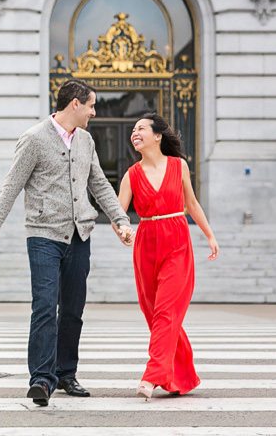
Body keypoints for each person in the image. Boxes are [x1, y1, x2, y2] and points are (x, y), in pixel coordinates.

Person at [0, 77, 133, 407]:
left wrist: (120, 219)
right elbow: (10, 188)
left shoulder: (86, 141)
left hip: (80, 235)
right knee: (46, 306)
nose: (94, 111)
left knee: (73, 311)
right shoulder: (33, 139)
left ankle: (65, 373)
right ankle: (41, 379)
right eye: (91, 105)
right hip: (44, 236)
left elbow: (100, 185)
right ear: (74, 103)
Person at [114, 113, 219, 400]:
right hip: (146, 245)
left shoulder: (178, 165)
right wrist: (122, 231)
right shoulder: (131, 175)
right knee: (157, 316)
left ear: (158, 135)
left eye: (141, 129)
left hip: (176, 242)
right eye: (133, 130)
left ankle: (152, 375)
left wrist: (209, 234)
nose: (135, 133)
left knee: (165, 312)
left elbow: (192, 202)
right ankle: (180, 376)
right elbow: (118, 213)